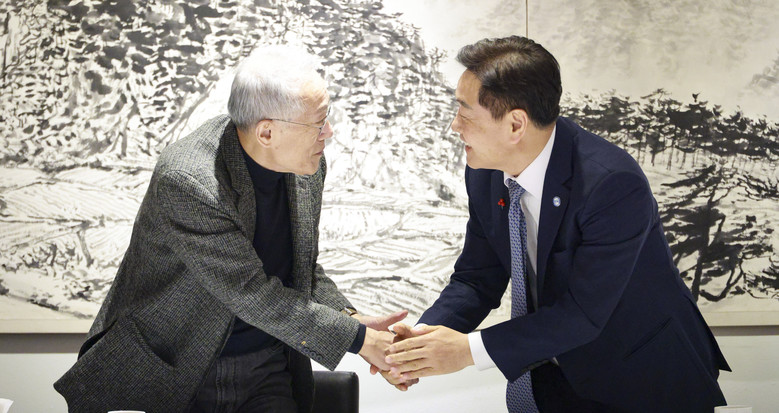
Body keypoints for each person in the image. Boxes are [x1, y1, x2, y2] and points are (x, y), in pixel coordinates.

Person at [381, 36, 730, 413]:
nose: (454, 126)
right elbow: (477, 278)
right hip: (550, 371)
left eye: (465, 114)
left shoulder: (611, 184)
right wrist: (417, 342)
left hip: (643, 380)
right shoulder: (485, 171)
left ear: (515, 124)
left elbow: (583, 313)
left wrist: (467, 351)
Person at [54, 45, 404, 413]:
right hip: (181, 364)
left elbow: (301, 267)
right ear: (266, 132)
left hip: (268, 363)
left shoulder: (307, 165)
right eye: (318, 124)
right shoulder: (189, 180)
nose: (328, 133)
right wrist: (359, 340)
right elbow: (250, 290)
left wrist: (350, 318)